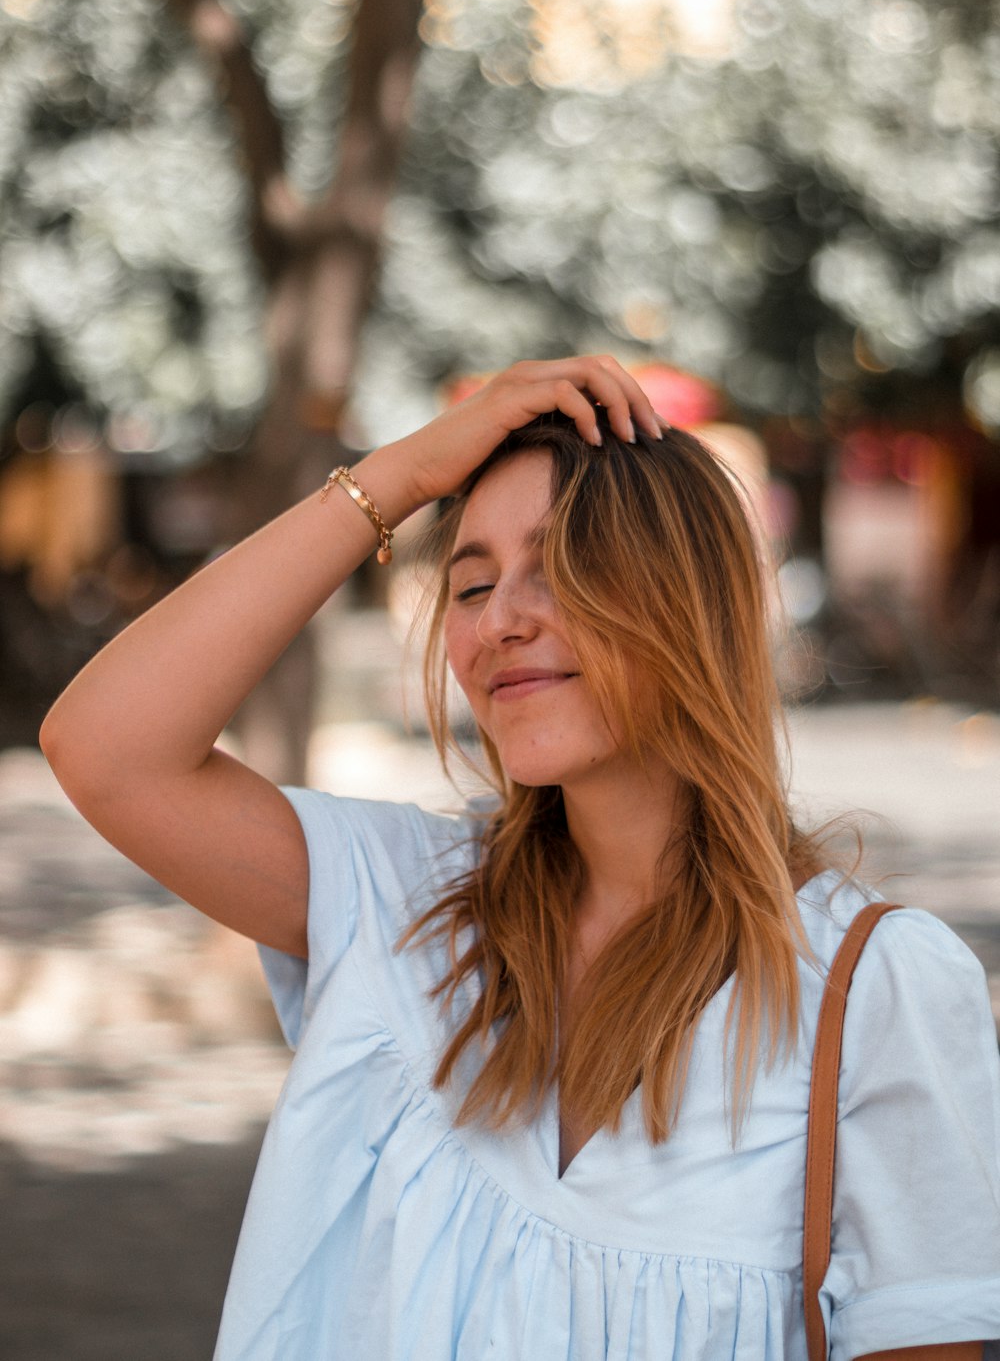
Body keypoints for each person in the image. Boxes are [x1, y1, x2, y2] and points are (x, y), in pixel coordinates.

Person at [40, 356, 1000, 1361]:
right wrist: (399, 476)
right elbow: (107, 750)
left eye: (559, 568)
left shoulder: (875, 990)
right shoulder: (408, 906)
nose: (500, 620)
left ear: (688, 600)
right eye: (471, 584)